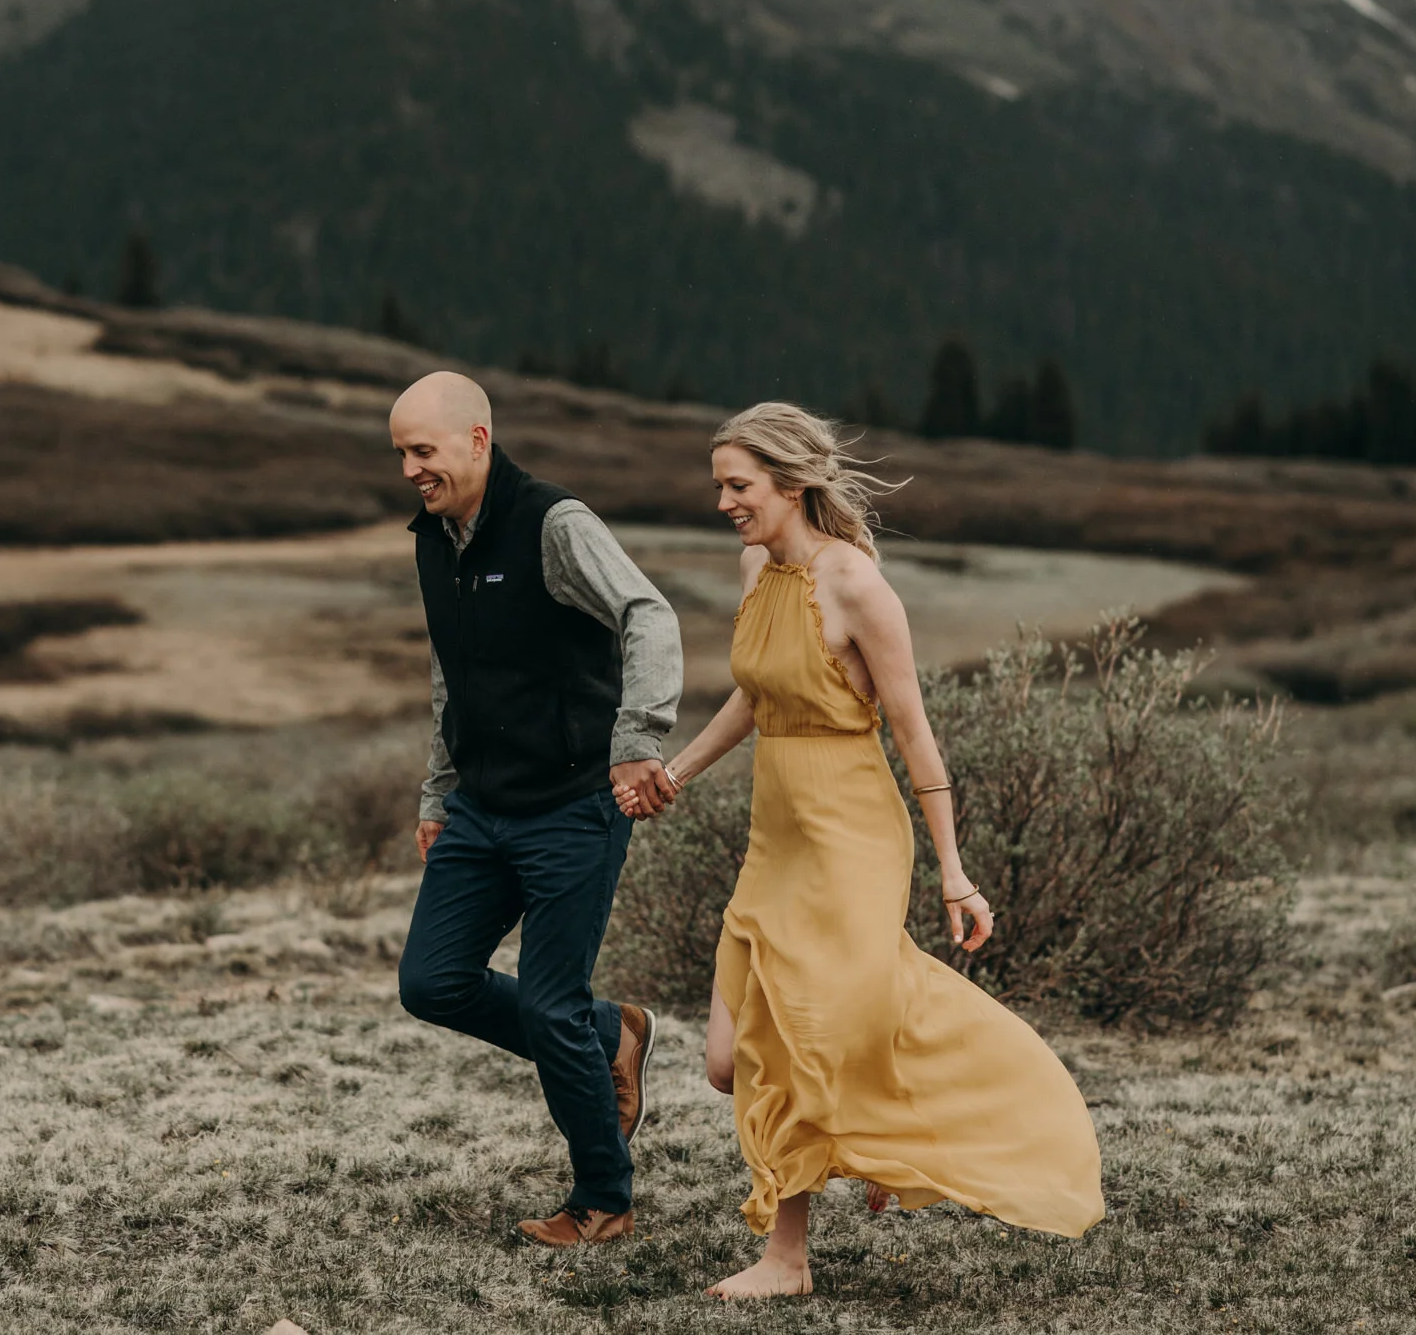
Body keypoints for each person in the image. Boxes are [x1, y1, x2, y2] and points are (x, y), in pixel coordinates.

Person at [638, 401, 1103, 1298]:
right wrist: (677, 774)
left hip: (853, 835)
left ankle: (788, 1258)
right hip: (776, 834)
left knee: (800, 1035)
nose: (725, 502)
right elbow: (756, 694)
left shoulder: (856, 586)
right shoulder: (755, 570)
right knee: (728, 1060)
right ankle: (877, 1133)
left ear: (790, 482)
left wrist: (955, 869)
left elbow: (915, 736)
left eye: (737, 486)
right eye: (719, 487)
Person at [390, 370, 684, 1248]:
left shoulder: (556, 524)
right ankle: (615, 1035)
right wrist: (439, 790)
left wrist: (639, 737)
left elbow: (647, 613)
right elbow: (453, 673)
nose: (410, 468)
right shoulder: (435, 536)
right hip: (481, 809)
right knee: (431, 981)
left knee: (549, 1007)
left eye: (423, 450)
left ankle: (604, 1200)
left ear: (478, 440)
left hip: (572, 807)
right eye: (401, 453)